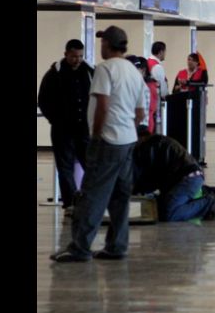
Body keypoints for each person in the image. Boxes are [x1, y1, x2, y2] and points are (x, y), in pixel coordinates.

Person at [50, 26, 146, 262]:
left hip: (107, 141)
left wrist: (96, 135)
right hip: (127, 141)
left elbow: (102, 105)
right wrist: (127, 127)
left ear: (107, 45)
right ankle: (117, 246)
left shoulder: (104, 69)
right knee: (120, 197)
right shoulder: (134, 72)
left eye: (102, 42)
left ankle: (79, 247)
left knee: (91, 195)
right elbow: (141, 112)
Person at [38, 39, 95, 216]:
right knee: (65, 167)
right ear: (66, 55)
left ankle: (91, 200)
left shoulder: (89, 72)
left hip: (83, 129)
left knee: (91, 164)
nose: (77, 60)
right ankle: (69, 202)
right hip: (62, 130)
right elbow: (43, 100)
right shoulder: (54, 74)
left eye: (80, 56)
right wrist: (55, 119)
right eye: (73, 56)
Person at [132, 126, 215, 222]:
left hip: (188, 179)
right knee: (159, 209)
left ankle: (209, 203)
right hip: (187, 179)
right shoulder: (155, 143)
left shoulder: (151, 147)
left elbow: (150, 179)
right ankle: (190, 203)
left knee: (169, 214)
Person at [148, 42, 169, 132]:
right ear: (160, 52)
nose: (165, 54)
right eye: (165, 51)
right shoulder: (157, 66)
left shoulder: (148, 62)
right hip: (155, 102)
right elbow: (162, 90)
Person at [126, 56, 151, 129]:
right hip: (139, 124)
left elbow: (140, 114)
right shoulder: (138, 83)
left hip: (138, 125)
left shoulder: (139, 85)